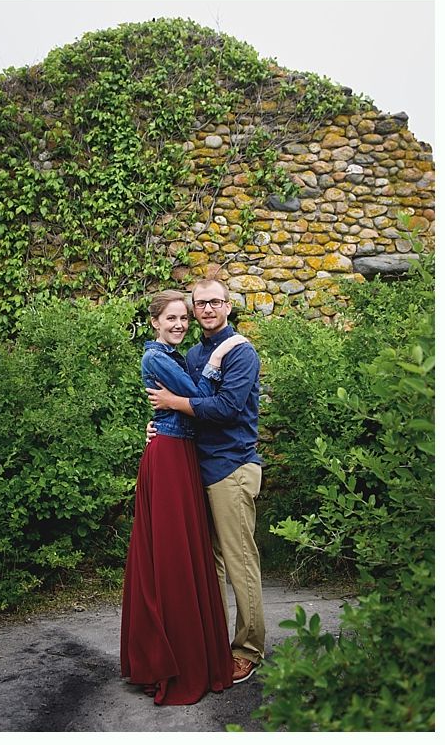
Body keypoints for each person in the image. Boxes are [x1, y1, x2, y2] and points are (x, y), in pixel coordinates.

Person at [120, 289, 246, 705]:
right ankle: (174, 658)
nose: (178, 324)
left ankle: (202, 650)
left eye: (183, 319)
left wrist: (165, 413)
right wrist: (219, 355)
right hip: (171, 456)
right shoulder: (157, 357)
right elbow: (201, 395)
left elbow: (183, 403)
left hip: (181, 454)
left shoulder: (172, 356)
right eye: (171, 318)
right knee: (173, 555)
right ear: (154, 321)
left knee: (187, 554)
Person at [145, 278, 265, 684]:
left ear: (228, 306)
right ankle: (214, 643)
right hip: (195, 469)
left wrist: (174, 404)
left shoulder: (241, 352)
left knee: (239, 563)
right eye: (201, 304)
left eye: (215, 302)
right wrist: (159, 422)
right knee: (207, 566)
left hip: (231, 467)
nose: (207, 309)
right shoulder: (194, 353)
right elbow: (182, 409)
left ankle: (248, 649)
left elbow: (227, 408)